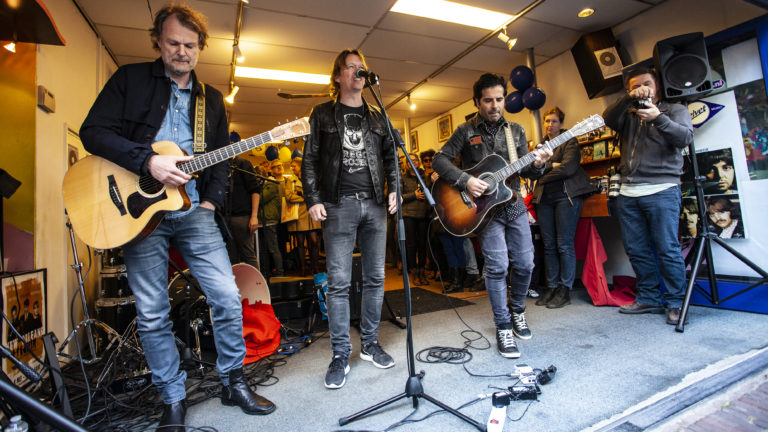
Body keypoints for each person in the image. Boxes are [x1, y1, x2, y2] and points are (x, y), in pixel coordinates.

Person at [79, 4, 275, 430]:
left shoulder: (213, 100)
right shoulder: (129, 80)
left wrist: (211, 202)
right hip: (138, 210)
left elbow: (221, 158)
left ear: (201, 47)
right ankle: (172, 397)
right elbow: (92, 131)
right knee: (152, 312)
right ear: (158, 42)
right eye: (173, 43)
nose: (181, 52)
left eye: (190, 45)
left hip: (193, 210)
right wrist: (146, 162)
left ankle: (232, 381)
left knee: (226, 295)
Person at [432, 73, 552, 358]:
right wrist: (466, 181)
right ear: (477, 101)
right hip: (485, 211)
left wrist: (539, 164)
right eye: (488, 100)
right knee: (497, 266)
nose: (495, 105)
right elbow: (439, 160)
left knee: (525, 263)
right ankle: (503, 327)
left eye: (499, 99)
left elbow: (527, 170)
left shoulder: (517, 131)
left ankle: (517, 311)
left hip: (512, 203)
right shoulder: (464, 130)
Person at [302, 48, 399, 389]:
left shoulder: (377, 115)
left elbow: (391, 157)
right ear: (338, 76)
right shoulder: (322, 114)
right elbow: (310, 159)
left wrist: (395, 188)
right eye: (352, 68)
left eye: (363, 67)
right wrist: (312, 199)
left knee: (375, 278)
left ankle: (370, 344)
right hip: (338, 204)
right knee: (339, 283)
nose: (359, 72)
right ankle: (341, 354)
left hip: (374, 204)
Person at [602, 67, 693, 326]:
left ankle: (677, 302)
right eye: (635, 86)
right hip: (629, 192)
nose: (642, 89)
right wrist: (627, 98)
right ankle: (649, 298)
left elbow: (684, 137)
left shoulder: (674, 110)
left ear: (658, 87)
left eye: (646, 84)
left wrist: (658, 118)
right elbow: (607, 117)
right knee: (637, 250)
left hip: (663, 189)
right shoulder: (628, 115)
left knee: (667, 248)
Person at [532, 107, 595, 309]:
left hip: (565, 197)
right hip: (544, 199)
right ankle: (551, 287)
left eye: (555, 121)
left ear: (561, 122)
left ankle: (564, 289)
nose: (550, 124)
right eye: (547, 121)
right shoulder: (540, 146)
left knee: (564, 244)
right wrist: (553, 166)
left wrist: (545, 170)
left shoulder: (570, 140)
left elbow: (568, 168)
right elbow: (532, 172)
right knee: (548, 246)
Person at [285, 154, 322, 275]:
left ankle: (315, 266)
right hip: (299, 215)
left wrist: (301, 194)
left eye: (294, 166)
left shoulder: (310, 178)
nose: (292, 168)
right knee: (300, 242)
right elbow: (289, 196)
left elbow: (317, 193)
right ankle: (303, 268)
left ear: (300, 167)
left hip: (312, 214)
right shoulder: (291, 180)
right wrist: (305, 197)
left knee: (314, 240)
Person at [227, 155, 262, 270]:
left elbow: (255, 190)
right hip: (225, 217)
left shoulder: (242, 163)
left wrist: (254, 216)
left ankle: (257, 286)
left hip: (242, 216)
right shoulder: (221, 166)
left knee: (248, 255)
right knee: (230, 256)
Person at [401, 152, 430, 285]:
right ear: (407, 164)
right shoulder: (402, 178)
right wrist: (414, 195)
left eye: (416, 160)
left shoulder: (424, 176)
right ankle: (414, 272)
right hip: (409, 215)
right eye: (410, 160)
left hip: (423, 213)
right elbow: (399, 197)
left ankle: (422, 271)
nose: (414, 162)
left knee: (422, 244)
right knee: (412, 244)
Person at [259, 160, 285, 277]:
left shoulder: (272, 184)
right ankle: (266, 272)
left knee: (273, 248)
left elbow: (261, 198)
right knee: (264, 249)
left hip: (269, 220)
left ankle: (280, 272)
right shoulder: (266, 185)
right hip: (262, 221)